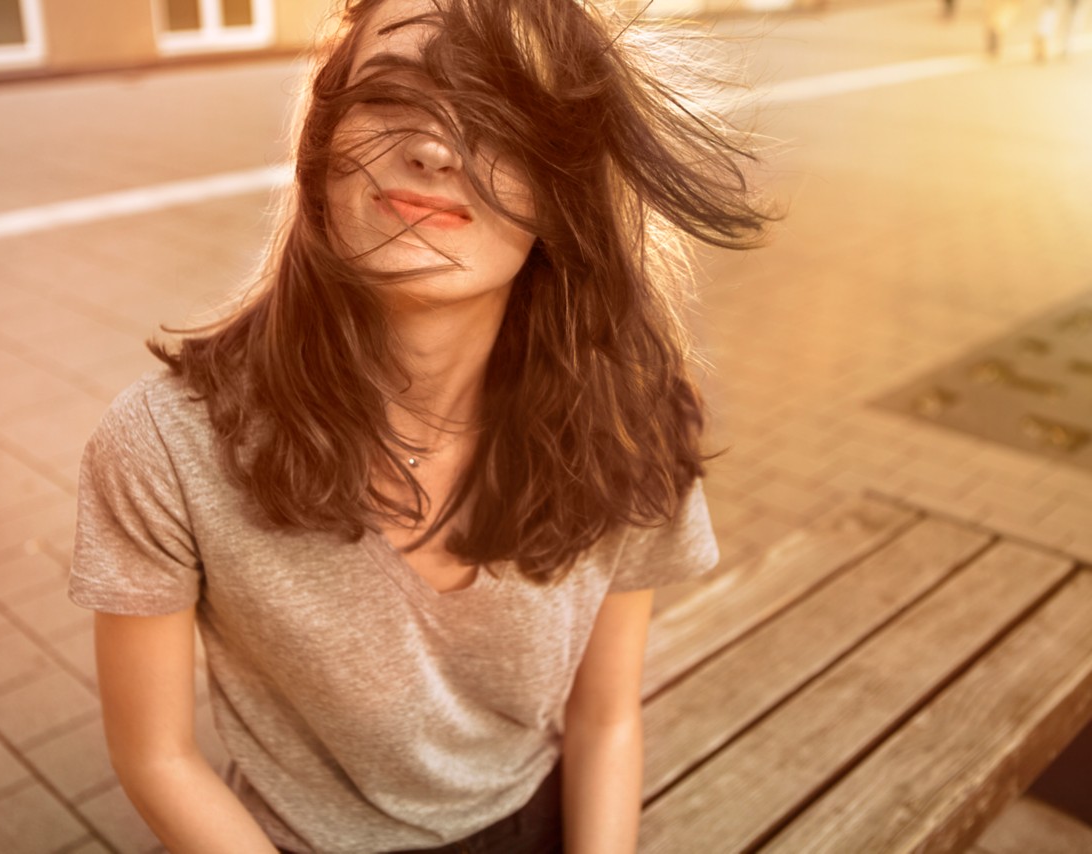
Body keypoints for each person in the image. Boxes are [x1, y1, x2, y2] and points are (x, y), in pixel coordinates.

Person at [67, 0, 770, 851]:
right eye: (389, 96)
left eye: (498, 114)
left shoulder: (631, 419)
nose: (436, 145)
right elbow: (157, 758)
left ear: (564, 189)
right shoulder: (164, 447)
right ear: (319, 151)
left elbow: (605, 721)